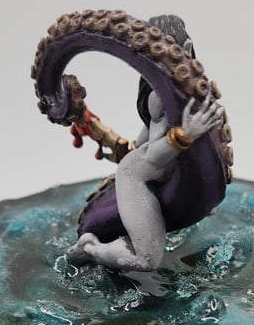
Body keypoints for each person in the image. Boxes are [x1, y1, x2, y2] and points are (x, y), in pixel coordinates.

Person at [66, 15, 224, 272]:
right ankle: (91, 250)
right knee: (146, 259)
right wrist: (185, 135)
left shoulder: (185, 93)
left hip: (157, 167)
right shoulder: (159, 99)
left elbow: (144, 141)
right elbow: (152, 157)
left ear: (186, 49)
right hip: (137, 175)